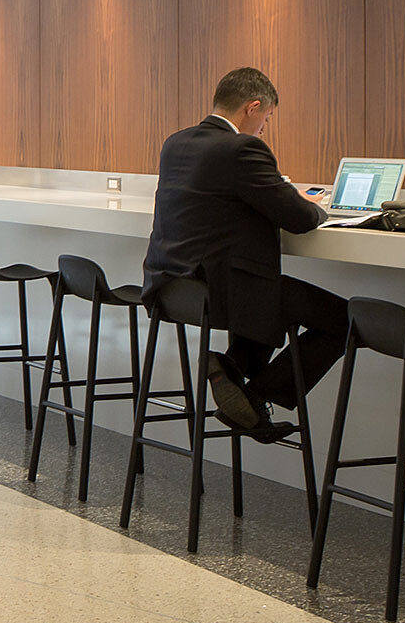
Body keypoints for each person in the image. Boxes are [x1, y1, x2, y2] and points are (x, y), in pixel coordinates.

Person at [143, 66, 346, 442]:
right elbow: (300, 219)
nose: (264, 128)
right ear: (253, 107)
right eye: (266, 118)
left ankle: (232, 372)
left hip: (175, 287)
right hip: (225, 292)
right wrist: (316, 205)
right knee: (343, 320)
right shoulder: (242, 148)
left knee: (271, 297)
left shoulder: (176, 142)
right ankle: (255, 394)